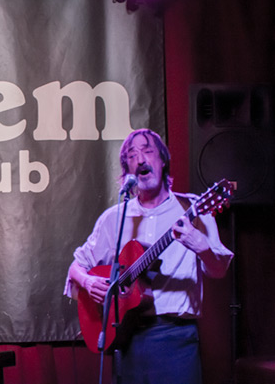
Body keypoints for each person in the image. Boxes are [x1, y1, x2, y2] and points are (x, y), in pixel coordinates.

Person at [64, 128, 234, 384]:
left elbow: (219, 270)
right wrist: (89, 282)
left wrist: (202, 247)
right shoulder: (114, 218)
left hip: (176, 339)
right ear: (127, 170)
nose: (140, 159)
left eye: (147, 151)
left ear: (163, 160)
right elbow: (76, 267)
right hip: (127, 339)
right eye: (132, 155)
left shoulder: (195, 209)